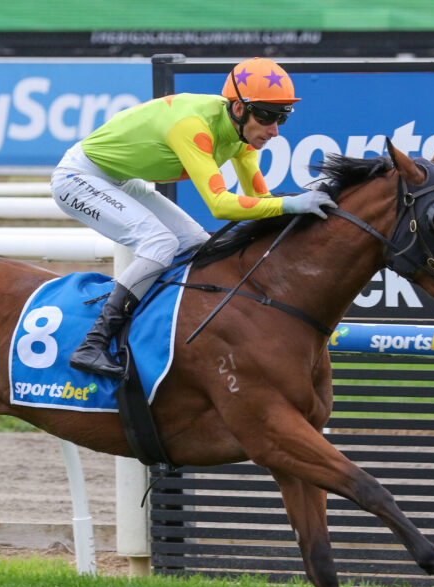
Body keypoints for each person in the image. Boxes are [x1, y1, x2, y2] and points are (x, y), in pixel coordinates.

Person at [51, 57, 337, 378]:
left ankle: (157, 327)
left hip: (119, 179)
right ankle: (94, 343)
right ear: (239, 108)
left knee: (197, 244)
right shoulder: (193, 126)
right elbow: (220, 205)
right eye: (267, 116)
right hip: (77, 177)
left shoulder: (242, 137)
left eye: (281, 117)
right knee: (159, 243)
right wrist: (291, 205)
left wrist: (302, 213)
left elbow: (261, 201)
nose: (274, 130)